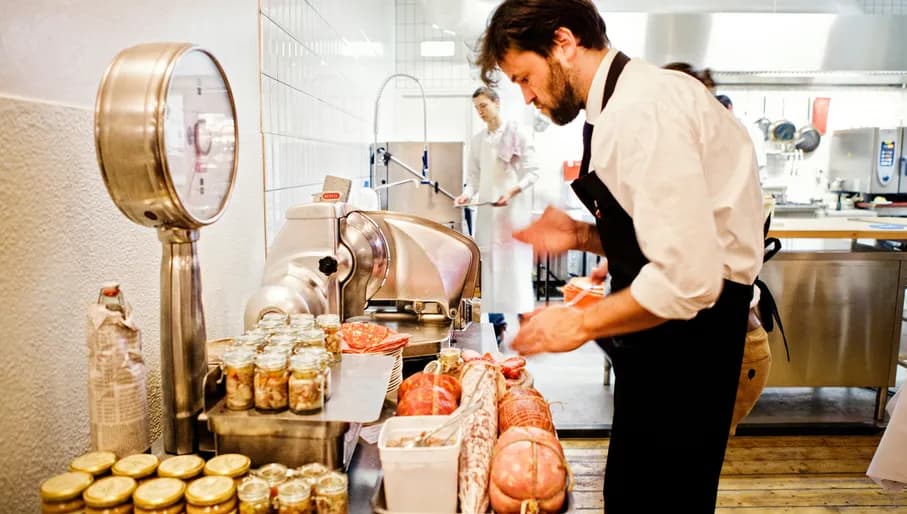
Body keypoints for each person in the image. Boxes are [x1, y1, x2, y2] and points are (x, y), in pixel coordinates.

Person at [475, 1, 764, 511]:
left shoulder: (640, 110)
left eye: (525, 76)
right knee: (632, 493)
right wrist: (583, 235)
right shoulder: (616, 107)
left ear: (563, 42)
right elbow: (669, 235)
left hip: (691, 343)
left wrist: (579, 324)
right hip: (663, 342)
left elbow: (689, 276)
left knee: (662, 498)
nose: (526, 95)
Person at [454, 87, 539, 343]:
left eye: (483, 106)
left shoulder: (518, 133)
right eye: (477, 107)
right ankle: (496, 325)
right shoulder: (478, 141)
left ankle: (527, 327)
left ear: (496, 103)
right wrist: (466, 195)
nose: (480, 112)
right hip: (488, 217)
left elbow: (533, 172)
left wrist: (512, 191)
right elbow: (474, 180)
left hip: (513, 216)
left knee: (516, 271)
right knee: (489, 273)